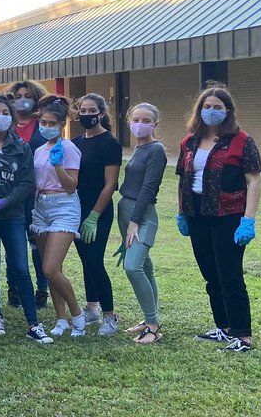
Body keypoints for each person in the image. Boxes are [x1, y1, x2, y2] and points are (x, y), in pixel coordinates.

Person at [176, 85, 261, 352]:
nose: (211, 111)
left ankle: (242, 334)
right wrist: (181, 212)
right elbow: (183, 178)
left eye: (217, 107)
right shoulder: (189, 141)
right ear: (199, 110)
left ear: (228, 111)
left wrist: (248, 219)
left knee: (230, 274)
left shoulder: (241, 141)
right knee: (210, 273)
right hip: (197, 213)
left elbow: (254, 180)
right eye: (207, 106)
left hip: (228, 214)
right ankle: (223, 327)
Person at [0, 96, 52, 345]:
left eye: (5, 112)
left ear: (11, 118)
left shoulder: (22, 147)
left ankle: (33, 323)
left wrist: (6, 201)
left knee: (20, 267)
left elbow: (26, 182)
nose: (1, 115)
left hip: (12, 217)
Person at [30, 95, 86, 338]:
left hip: (63, 205)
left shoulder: (70, 148)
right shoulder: (39, 150)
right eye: (43, 122)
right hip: (40, 206)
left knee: (52, 268)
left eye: (52, 123)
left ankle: (77, 315)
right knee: (48, 268)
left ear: (62, 124)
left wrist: (58, 165)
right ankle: (60, 318)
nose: (46, 127)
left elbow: (71, 185)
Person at [73, 93, 123, 337]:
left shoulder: (110, 143)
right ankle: (91, 308)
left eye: (92, 110)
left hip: (98, 211)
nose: (87, 114)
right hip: (76, 209)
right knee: (85, 259)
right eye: (83, 110)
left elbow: (110, 184)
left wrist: (94, 216)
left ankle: (110, 315)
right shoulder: (75, 142)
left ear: (101, 114)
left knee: (94, 260)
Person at [117, 103, 166, 345]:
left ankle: (153, 326)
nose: (140, 124)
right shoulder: (139, 148)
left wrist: (134, 221)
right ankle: (150, 320)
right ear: (129, 121)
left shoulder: (156, 150)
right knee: (145, 267)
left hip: (141, 214)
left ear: (155, 125)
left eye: (146, 120)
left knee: (132, 267)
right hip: (126, 210)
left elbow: (149, 188)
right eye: (136, 119)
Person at [9, 79, 49, 309]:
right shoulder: (6, 124)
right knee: (14, 243)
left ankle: (42, 288)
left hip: (37, 194)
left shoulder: (42, 125)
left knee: (38, 243)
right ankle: (13, 287)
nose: (23, 99)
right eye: (18, 95)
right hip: (10, 193)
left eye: (28, 95)